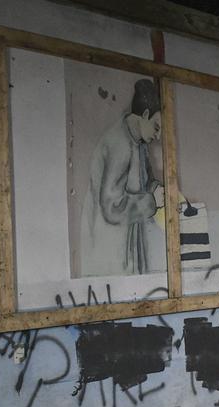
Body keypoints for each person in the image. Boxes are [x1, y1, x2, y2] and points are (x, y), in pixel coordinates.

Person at [81, 78, 164, 276]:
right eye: (156, 127)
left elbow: (145, 183)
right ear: (144, 115)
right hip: (110, 253)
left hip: (127, 249)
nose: (158, 136)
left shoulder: (138, 142)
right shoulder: (119, 144)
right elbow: (112, 208)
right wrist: (152, 201)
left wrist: (156, 189)